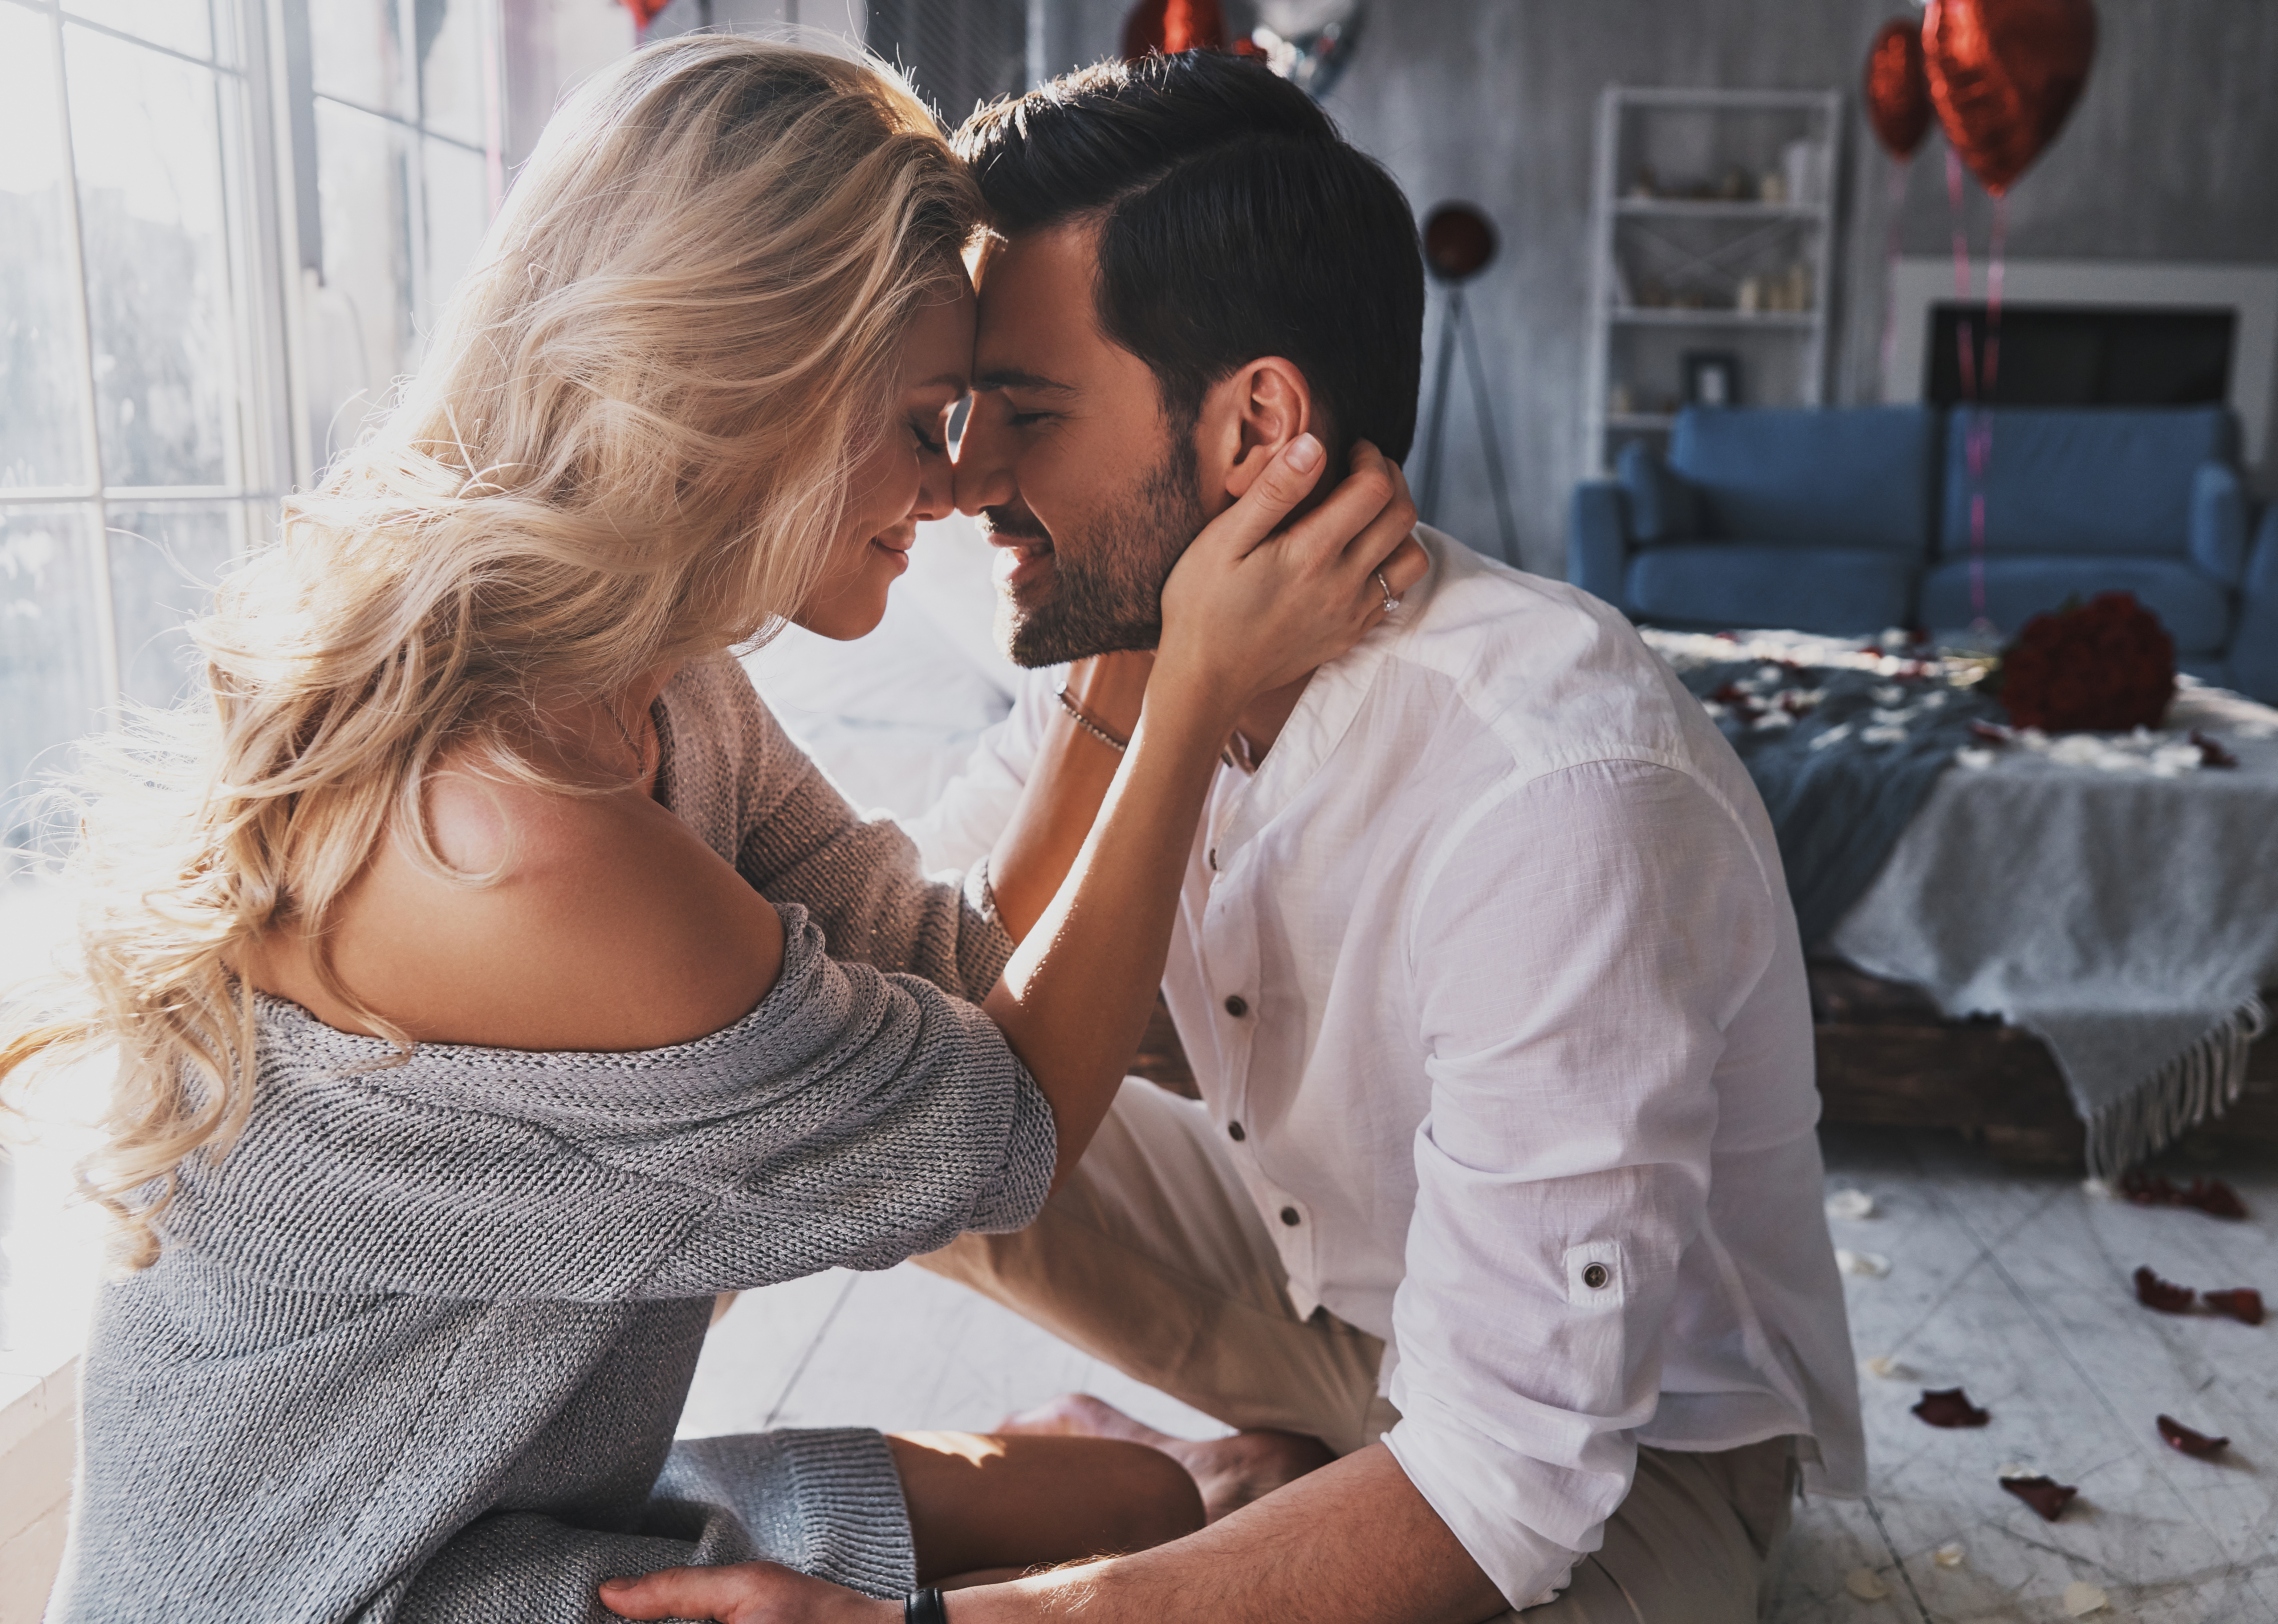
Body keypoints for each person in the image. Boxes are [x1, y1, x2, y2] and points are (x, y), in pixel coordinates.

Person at [0, 38, 1424, 1623]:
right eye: (926, 419)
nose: (958, 488)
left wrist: (1131, 627)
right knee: (1145, 1550)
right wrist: (1191, 685)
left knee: (1164, 1493)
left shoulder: (647, 690)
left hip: (507, 1503)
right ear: (754, 395)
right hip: (334, 1591)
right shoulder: (516, 843)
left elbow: (960, 970)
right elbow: (1000, 1136)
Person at [601, 49, 1864, 1624]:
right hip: (1335, 1293)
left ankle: (1259, 1500)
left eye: (1030, 414)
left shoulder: (1554, 785)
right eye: (961, 410)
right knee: (885, 1081)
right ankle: (1266, 1486)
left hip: (1632, 1455)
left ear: (1255, 426)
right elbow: (899, 1006)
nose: (962, 478)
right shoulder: (1143, 653)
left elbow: (1511, 1480)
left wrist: (945, 1621)